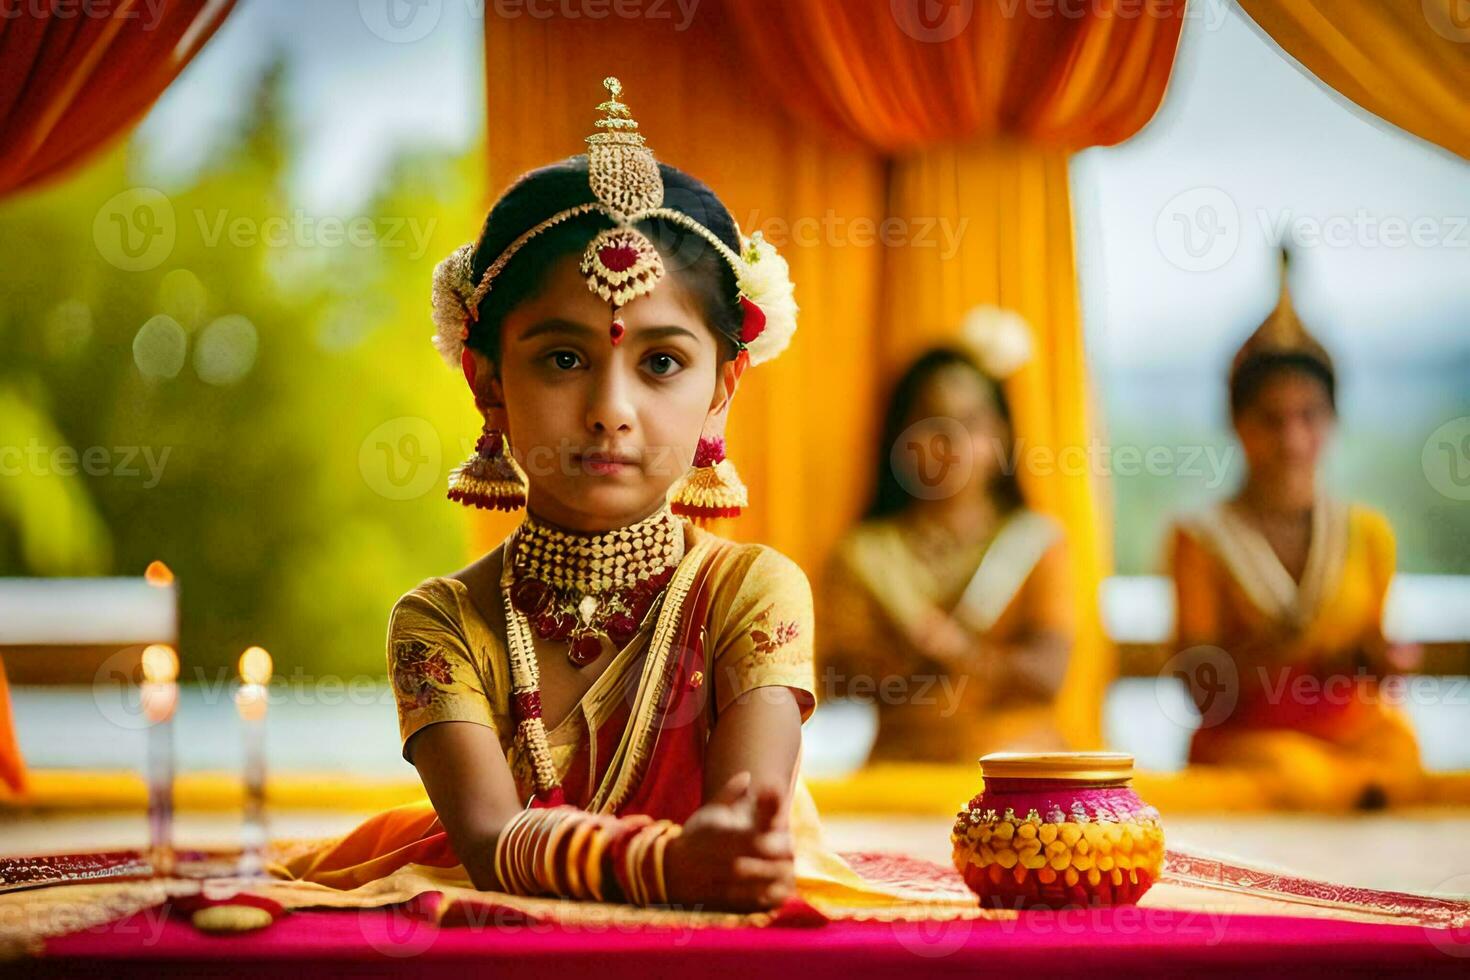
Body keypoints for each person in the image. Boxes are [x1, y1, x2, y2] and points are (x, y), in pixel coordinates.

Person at [267, 78, 977, 919]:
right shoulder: (443, 622)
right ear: (487, 382)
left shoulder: (749, 593)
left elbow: (743, 833)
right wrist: (667, 867)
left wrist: (708, 859)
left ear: (723, 387)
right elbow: (493, 844)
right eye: (563, 360)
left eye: (663, 362)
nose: (611, 407)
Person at [1167, 251, 1421, 810]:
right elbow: (1201, 690)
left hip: (1357, 741)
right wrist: (1285, 658)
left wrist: (1375, 657)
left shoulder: (1368, 533)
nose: (1291, 438)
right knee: (1290, 774)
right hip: (1252, 747)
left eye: (1309, 416)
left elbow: (1377, 666)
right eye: (1270, 419)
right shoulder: (1201, 538)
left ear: (1333, 421)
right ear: (1237, 424)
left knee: (1401, 752)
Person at [817, 309, 1074, 764]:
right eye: (934, 423)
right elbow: (837, 682)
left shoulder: (1036, 543)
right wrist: (910, 661)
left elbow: (1047, 676)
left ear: (1001, 438)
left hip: (1019, 773)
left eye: (971, 423)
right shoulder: (863, 554)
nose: (952, 442)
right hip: (900, 772)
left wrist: (958, 652)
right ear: (901, 439)